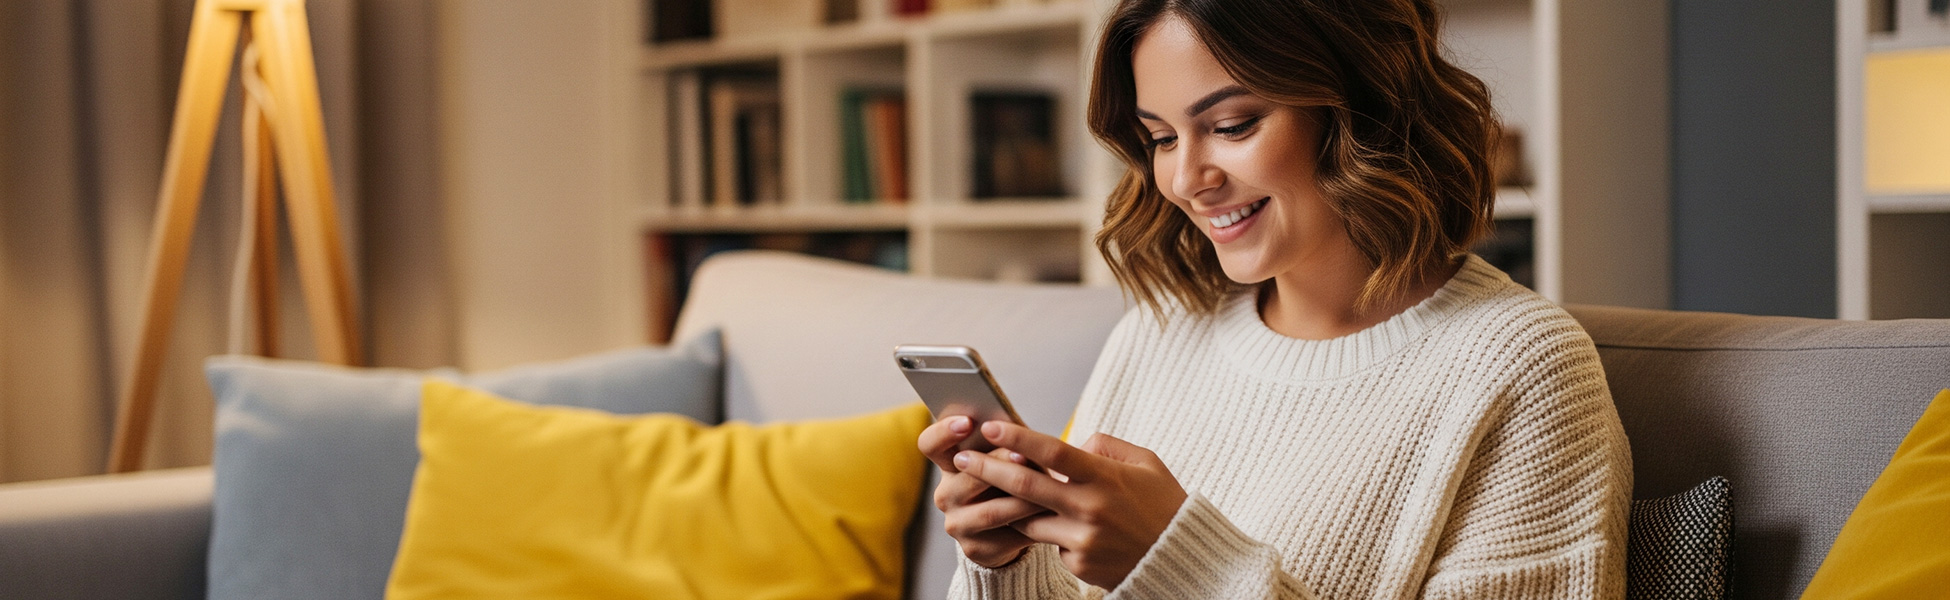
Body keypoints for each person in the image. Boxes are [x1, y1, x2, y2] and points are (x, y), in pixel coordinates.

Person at [915, 0, 1633, 598]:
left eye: (1231, 126)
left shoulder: (1521, 367)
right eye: (1162, 137)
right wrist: (1005, 563)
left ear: (1362, 108)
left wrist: (1176, 563)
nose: (1187, 178)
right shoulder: (1161, 332)